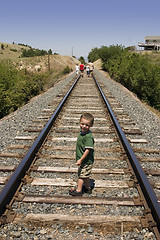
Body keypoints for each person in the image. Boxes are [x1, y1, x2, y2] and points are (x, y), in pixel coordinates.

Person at [69, 113, 94, 196]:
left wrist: (81, 159)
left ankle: (79, 191)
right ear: (79, 122)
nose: (84, 126)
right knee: (85, 175)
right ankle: (87, 188)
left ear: (91, 125)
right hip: (84, 160)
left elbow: (88, 150)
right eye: (82, 124)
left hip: (86, 161)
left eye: (87, 125)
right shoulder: (82, 133)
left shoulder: (88, 136)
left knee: (81, 175)